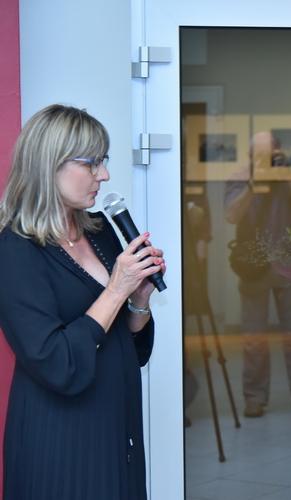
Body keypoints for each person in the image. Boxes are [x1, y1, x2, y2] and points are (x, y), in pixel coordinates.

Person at [0, 104, 166, 500]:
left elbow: (130, 349)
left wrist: (138, 300)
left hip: (115, 429)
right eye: (91, 163)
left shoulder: (99, 229)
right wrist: (115, 290)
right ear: (49, 164)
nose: (103, 175)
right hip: (58, 441)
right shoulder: (15, 250)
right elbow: (56, 362)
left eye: (103, 161)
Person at [224, 131, 291, 418]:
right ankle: (254, 397)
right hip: (253, 265)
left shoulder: (288, 174)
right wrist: (253, 184)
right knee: (253, 337)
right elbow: (231, 215)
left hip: (289, 263)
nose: (263, 160)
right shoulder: (240, 176)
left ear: (278, 153)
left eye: (268, 155)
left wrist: (287, 175)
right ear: (249, 156)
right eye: (257, 155)